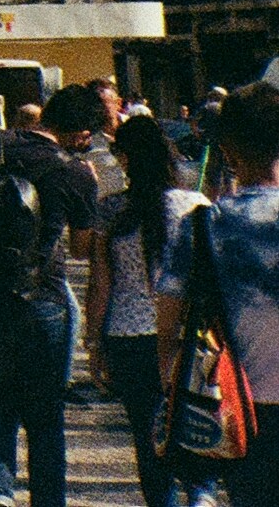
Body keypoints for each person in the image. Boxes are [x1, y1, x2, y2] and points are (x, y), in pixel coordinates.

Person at [0, 87, 98, 507]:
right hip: (43, 298)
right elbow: (83, 248)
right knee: (45, 416)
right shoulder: (75, 172)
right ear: (81, 132)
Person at [158, 80, 279, 506]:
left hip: (239, 408)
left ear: (227, 151)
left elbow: (167, 327)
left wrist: (178, 397)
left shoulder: (201, 226)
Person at [91, 112, 199, 507]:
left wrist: (94, 343)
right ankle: (200, 496)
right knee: (196, 428)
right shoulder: (194, 205)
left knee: (147, 436)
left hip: (128, 334)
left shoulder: (112, 210)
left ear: (125, 158)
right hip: (187, 335)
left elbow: (101, 284)